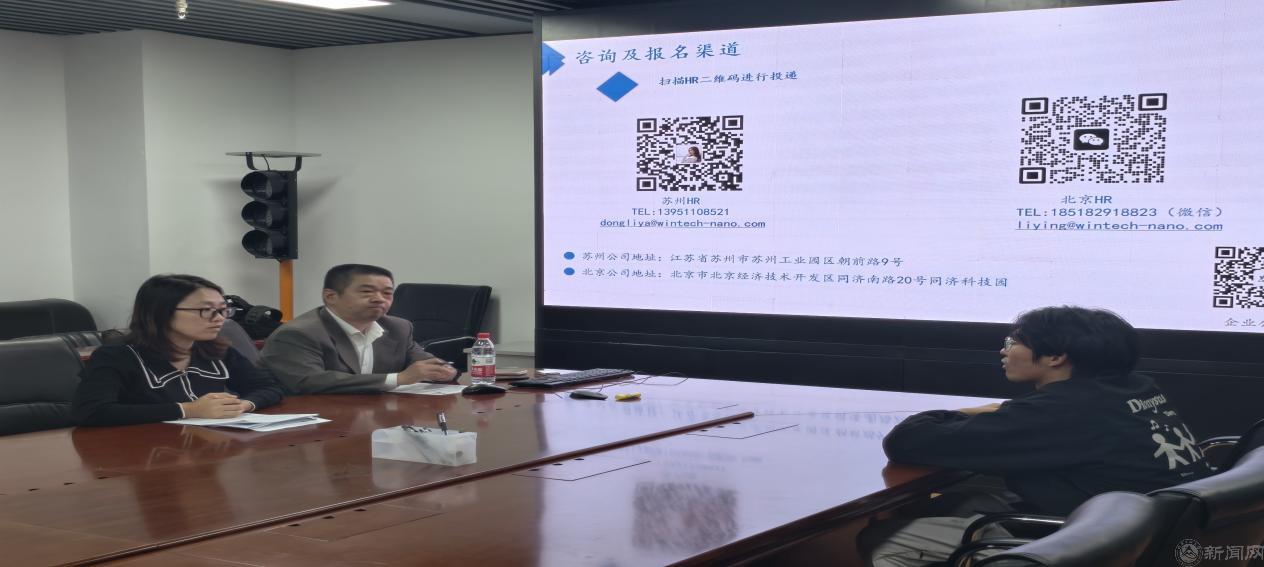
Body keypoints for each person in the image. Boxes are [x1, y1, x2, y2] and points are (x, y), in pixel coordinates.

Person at [864, 306, 1212, 567]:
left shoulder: (1065, 412)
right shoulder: (1136, 388)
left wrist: (978, 411)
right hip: (1153, 534)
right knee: (960, 500)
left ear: (1056, 356)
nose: (1004, 351)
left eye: (1013, 342)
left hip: (1094, 545)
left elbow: (907, 440)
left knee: (882, 540)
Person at [72, 274, 284, 426]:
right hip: (137, 453)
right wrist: (188, 410)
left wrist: (243, 405)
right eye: (206, 310)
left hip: (204, 450)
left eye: (222, 310)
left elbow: (268, 387)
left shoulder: (217, 351)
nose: (219, 319)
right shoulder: (117, 357)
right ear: (162, 312)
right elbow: (91, 411)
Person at [259, 264, 457, 394]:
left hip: (373, 416)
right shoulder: (298, 333)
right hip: (311, 422)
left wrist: (444, 370)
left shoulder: (398, 327)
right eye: (366, 292)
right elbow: (309, 382)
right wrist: (399, 379)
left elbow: (422, 360)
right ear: (330, 297)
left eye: (387, 293)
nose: (379, 299)